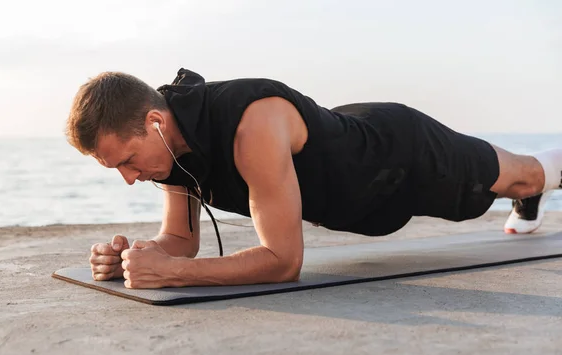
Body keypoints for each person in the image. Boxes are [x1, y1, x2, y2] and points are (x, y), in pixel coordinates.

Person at [65, 68, 561, 289]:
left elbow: (283, 262)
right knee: (516, 181)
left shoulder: (250, 123)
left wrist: (173, 275)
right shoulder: (172, 148)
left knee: (522, 176)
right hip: (353, 178)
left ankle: (539, 184)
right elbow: (179, 239)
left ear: (154, 121)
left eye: (128, 161)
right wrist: (139, 257)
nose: (131, 179)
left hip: (397, 158)